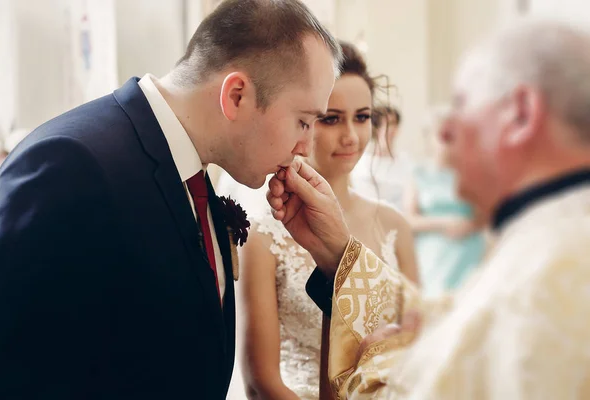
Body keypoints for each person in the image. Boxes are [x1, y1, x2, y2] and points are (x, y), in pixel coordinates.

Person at [0, 1, 341, 398]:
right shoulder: (70, 165)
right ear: (237, 96)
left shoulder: (198, 175)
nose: (306, 147)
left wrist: (332, 256)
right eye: (303, 121)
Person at [267, 19, 590, 399]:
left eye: (462, 105)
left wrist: (378, 362)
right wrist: (337, 253)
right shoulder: (550, 241)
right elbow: (448, 327)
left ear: (520, 114)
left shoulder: (551, 273)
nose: (447, 130)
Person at [237, 42, 419, 400]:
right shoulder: (264, 236)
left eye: (363, 117)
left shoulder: (395, 225)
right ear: (303, 121)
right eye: (331, 118)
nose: (351, 136)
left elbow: (419, 342)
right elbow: (262, 381)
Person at [404, 105, 485, 296]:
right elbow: (409, 219)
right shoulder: (418, 174)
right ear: (430, 138)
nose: (449, 142)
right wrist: (445, 223)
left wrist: (471, 224)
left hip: (469, 250)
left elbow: (487, 214)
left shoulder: (472, 173)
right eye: (443, 135)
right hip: (433, 253)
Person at [351, 105, 414, 209]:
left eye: (393, 124)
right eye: (383, 124)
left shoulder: (405, 161)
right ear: (375, 128)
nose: (388, 129)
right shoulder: (362, 163)